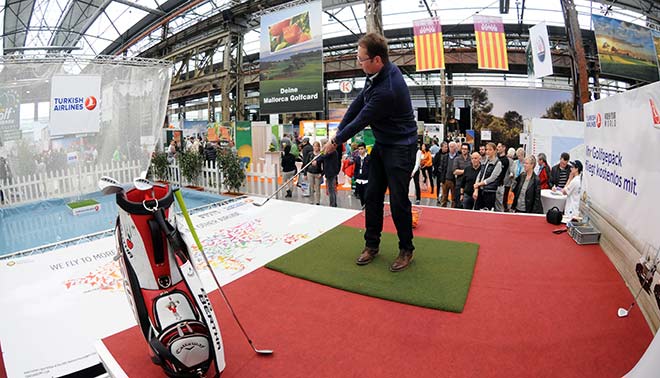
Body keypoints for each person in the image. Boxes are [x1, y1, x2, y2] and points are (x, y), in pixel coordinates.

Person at [322, 32, 417, 272]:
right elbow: (357, 105)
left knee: (398, 201)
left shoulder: (388, 88)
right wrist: (338, 132)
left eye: (361, 58)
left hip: (401, 147)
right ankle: (371, 245)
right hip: (384, 144)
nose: (358, 62)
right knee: (372, 195)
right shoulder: (374, 74)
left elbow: (362, 119)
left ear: (376, 59)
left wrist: (335, 142)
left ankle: (407, 249)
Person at [473, 142, 502, 211]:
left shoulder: (498, 163)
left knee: (488, 212)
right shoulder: (485, 161)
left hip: (490, 192)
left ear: (495, 151)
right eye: (486, 150)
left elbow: (492, 178)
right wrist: (476, 188)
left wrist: (479, 184)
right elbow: (480, 174)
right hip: (481, 191)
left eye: (490, 150)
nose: (487, 152)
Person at [353, 142, 370, 207]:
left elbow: (371, 169)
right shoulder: (357, 158)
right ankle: (363, 207)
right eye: (359, 149)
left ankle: (368, 209)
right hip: (359, 180)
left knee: (367, 196)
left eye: (362, 149)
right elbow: (356, 168)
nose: (360, 151)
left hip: (366, 181)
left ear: (365, 149)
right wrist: (356, 177)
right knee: (361, 196)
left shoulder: (369, 158)